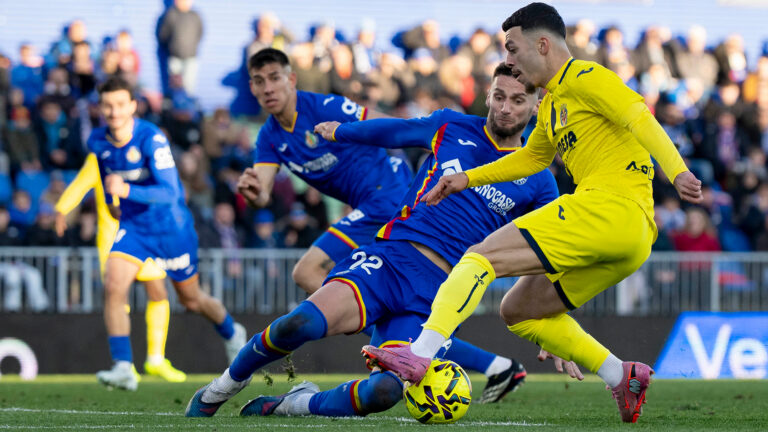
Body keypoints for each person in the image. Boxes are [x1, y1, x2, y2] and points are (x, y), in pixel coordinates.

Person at [361, 2, 703, 424]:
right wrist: (466, 178)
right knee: (519, 310)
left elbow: (639, 118)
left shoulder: (587, 77)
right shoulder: (554, 104)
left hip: (609, 206)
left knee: (479, 257)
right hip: (631, 238)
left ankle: (419, 355)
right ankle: (621, 375)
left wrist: (677, 171)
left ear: (542, 45)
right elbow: (531, 159)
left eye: (512, 48)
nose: (508, 60)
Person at [186, 62, 567, 418]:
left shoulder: (539, 181)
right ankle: (222, 387)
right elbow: (394, 130)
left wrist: (554, 323)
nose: (505, 108)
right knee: (298, 324)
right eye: (499, 96)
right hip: (391, 259)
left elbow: (548, 251)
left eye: (518, 100)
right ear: (488, 95)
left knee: (384, 393)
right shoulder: (451, 126)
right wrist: (341, 131)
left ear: (537, 105)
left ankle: (293, 404)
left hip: (440, 296)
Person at [236, 47, 523, 396]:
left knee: (307, 272)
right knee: (324, 281)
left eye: (275, 78)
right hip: (366, 204)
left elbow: (380, 122)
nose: (268, 88)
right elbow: (262, 192)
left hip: (386, 195)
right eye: (259, 81)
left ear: (291, 79)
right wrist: (254, 192)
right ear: (251, 88)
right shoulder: (269, 137)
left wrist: (359, 136)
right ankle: (490, 364)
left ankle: (397, 341)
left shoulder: (322, 107)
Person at [87, 76, 246, 391]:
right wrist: (113, 203)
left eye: (120, 104)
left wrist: (127, 190)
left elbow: (171, 192)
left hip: (171, 228)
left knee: (191, 299)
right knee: (113, 286)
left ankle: (232, 332)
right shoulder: (96, 140)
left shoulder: (151, 138)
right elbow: (107, 177)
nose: (114, 112)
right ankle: (123, 367)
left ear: (133, 106)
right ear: (100, 108)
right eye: (107, 105)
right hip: (134, 228)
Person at [54, 146, 187, 382]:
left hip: (144, 235)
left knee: (158, 291)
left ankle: (155, 359)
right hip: (113, 239)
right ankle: (124, 364)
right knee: (118, 296)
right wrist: (62, 209)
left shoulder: (144, 154)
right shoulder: (98, 158)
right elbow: (79, 185)